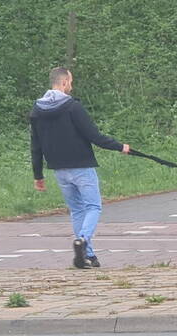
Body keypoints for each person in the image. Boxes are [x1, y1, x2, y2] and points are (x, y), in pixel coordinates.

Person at [30, 67, 131, 269]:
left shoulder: (37, 110)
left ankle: (88, 256)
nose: (72, 86)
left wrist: (38, 175)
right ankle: (83, 240)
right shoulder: (72, 107)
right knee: (93, 207)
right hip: (81, 166)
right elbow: (93, 136)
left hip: (59, 169)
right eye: (71, 82)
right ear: (64, 82)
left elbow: (36, 145)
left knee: (77, 210)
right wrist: (120, 147)